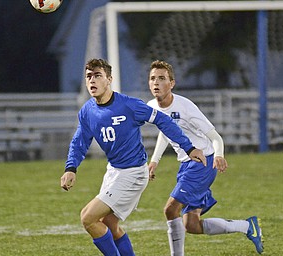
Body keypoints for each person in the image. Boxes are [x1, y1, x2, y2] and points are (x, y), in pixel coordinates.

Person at [60, 58, 206, 256]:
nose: (92, 80)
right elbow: (79, 142)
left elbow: (163, 120)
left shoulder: (129, 105)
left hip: (133, 173)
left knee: (87, 218)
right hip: (113, 171)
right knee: (109, 225)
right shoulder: (87, 111)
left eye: (97, 76)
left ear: (109, 79)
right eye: (88, 77)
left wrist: (189, 148)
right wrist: (71, 168)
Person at [147, 60, 264, 255]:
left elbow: (215, 137)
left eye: (161, 78)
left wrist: (219, 155)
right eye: (152, 79)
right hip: (186, 165)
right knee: (191, 225)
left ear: (172, 83)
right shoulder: (153, 106)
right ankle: (247, 227)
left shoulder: (186, 107)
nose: (156, 82)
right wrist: (154, 161)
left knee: (170, 209)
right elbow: (164, 132)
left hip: (202, 163)